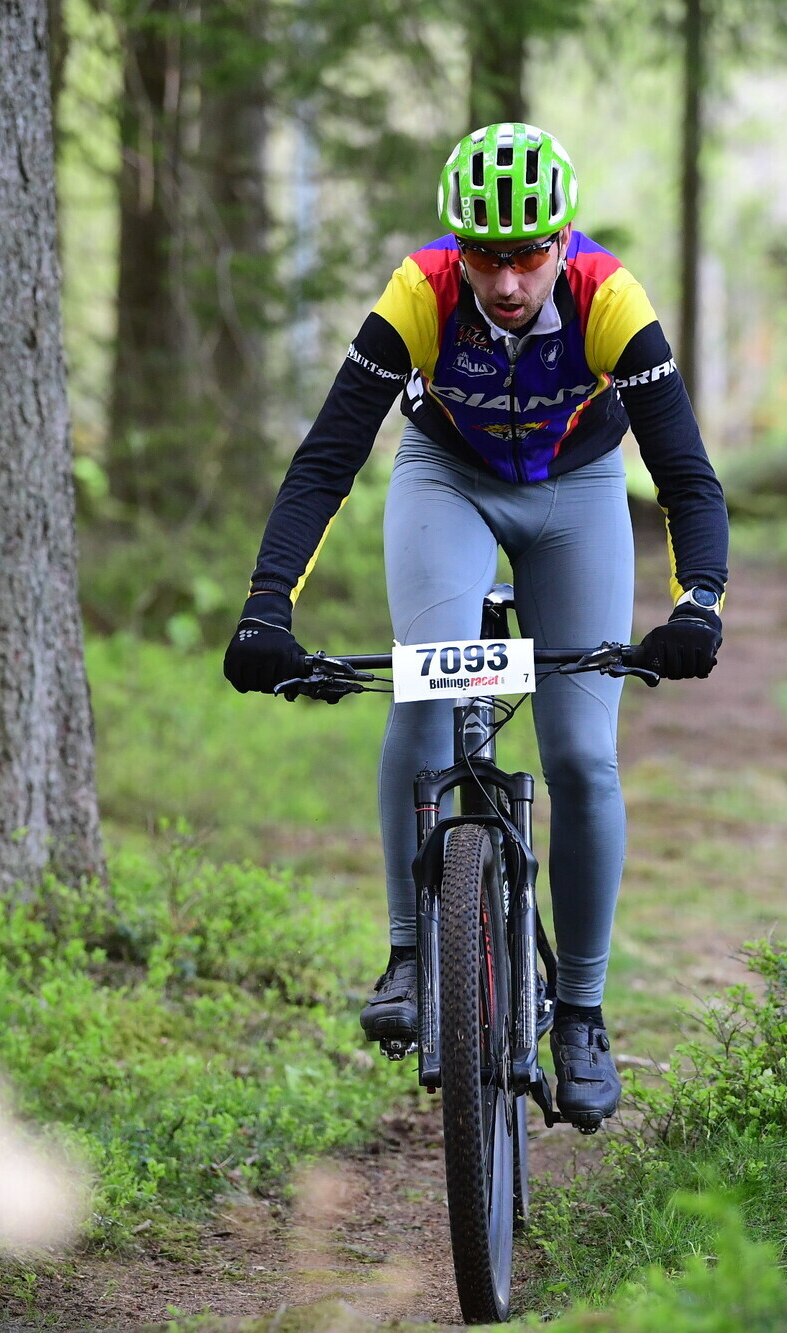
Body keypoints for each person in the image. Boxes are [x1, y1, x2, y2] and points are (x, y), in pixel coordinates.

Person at [224, 123, 728, 1125]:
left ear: (561, 241)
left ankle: (579, 1013)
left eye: (527, 255)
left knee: (581, 754)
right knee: (426, 689)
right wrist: (265, 606)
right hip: (445, 478)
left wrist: (697, 602)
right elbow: (327, 459)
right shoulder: (417, 295)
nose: (505, 281)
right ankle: (411, 957)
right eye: (485, 256)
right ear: (458, 248)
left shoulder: (609, 300)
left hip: (576, 490)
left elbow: (684, 474)